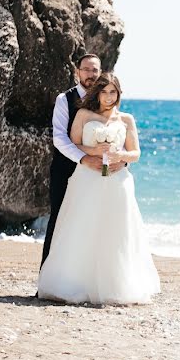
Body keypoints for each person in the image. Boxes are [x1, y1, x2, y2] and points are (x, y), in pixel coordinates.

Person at [37, 73, 161, 304]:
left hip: (118, 180)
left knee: (116, 229)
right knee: (82, 225)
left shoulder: (127, 120)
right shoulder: (84, 114)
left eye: (112, 92)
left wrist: (120, 155)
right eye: (104, 91)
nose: (108, 96)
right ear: (97, 93)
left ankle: (116, 285)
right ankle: (74, 283)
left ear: (118, 94)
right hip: (87, 177)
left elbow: (136, 153)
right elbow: (73, 143)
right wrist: (95, 152)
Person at [40, 54, 123, 268]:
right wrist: (84, 158)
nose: (90, 74)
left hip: (98, 174)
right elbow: (59, 137)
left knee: (94, 223)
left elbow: (119, 133)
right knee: (60, 219)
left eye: (95, 70)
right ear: (77, 72)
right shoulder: (64, 100)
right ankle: (47, 278)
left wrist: (122, 162)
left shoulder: (105, 99)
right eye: (86, 69)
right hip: (66, 168)